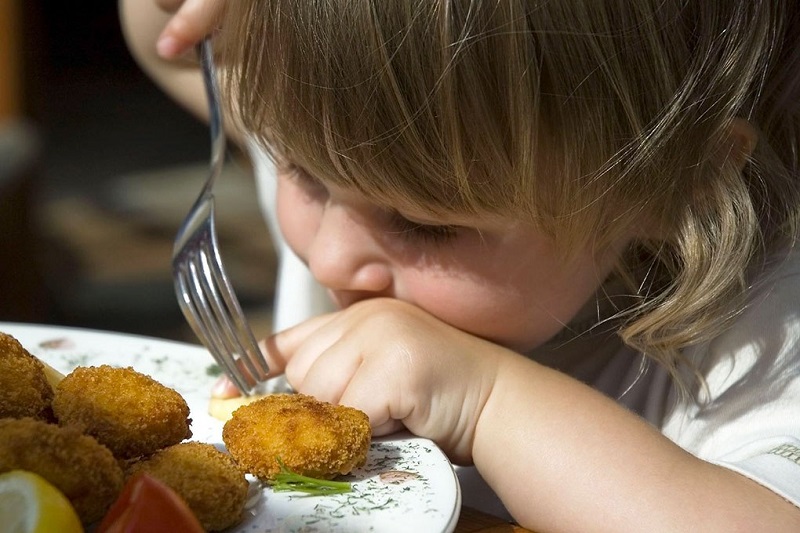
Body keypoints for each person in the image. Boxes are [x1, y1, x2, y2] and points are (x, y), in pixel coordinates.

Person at [120, 1, 800, 530]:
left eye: (426, 225)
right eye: (303, 175)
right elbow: (174, 49)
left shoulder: (767, 341)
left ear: (677, 187)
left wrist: (486, 399)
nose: (328, 256)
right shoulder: (348, 146)